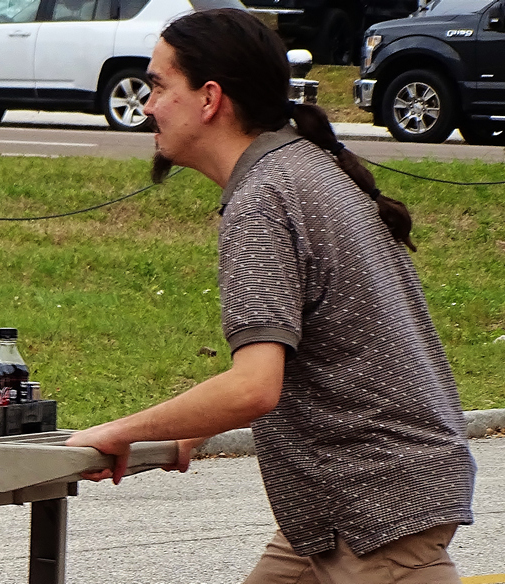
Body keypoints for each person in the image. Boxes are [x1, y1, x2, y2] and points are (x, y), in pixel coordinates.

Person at [64, 8, 476, 583]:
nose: (147, 103)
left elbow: (254, 386)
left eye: (158, 84)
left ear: (210, 99)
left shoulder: (263, 198)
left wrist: (120, 430)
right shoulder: (300, 166)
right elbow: (322, 341)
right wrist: (192, 429)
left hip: (374, 514)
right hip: (334, 512)